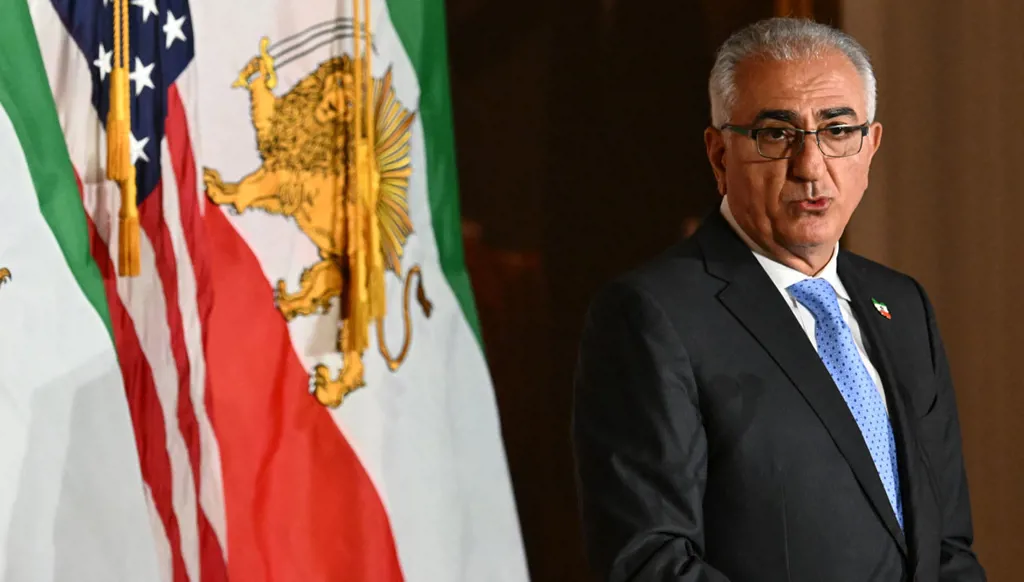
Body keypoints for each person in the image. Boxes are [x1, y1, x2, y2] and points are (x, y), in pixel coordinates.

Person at [571, 17, 986, 582]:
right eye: (775, 134)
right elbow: (650, 561)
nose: (811, 168)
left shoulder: (903, 304)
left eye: (837, 130)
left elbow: (948, 547)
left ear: (870, 146)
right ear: (719, 155)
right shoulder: (651, 315)